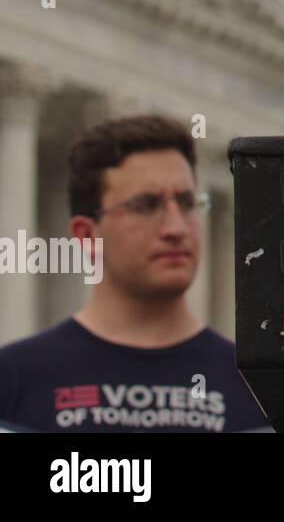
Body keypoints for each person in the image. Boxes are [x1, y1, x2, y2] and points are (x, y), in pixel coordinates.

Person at [0, 116, 268, 432]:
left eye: (186, 203)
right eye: (146, 206)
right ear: (86, 235)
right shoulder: (12, 383)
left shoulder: (262, 396)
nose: (176, 228)